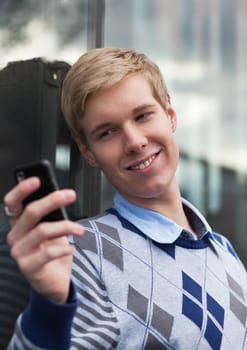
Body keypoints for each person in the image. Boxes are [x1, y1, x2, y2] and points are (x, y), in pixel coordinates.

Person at [4, 47, 247, 350]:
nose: (134, 141)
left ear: (170, 115)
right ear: (88, 152)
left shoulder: (225, 254)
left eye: (143, 115)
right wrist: (49, 308)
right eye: (107, 132)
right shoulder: (81, 253)